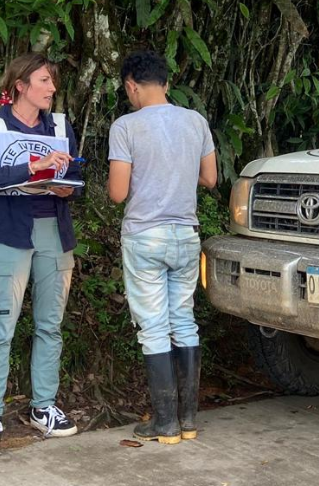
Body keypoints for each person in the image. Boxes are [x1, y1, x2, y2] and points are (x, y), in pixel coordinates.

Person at [0, 54, 82, 453]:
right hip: (6, 230)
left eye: (53, 82)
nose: (52, 89)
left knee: (50, 324)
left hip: (53, 227)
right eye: (45, 81)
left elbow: (76, 177)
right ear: (20, 85)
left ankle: (44, 407)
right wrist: (33, 167)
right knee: (0, 326)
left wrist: (67, 184)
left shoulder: (62, 125)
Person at [108, 50, 217, 444]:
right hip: (185, 235)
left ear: (131, 86)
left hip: (145, 236)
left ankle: (165, 423)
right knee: (183, 320)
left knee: (153, 328)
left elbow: (118, 193)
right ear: (167, 84)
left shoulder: (126, 126)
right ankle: (188, 422)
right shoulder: (195, 121)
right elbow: (210, 178)